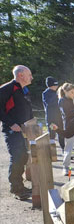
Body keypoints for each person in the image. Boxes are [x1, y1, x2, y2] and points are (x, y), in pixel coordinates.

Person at [0, 65, 34, 200]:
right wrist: (11, 123)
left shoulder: (24, 89)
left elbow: (28, 108)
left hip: (25, 130)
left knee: (24, 156)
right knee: (17, 157)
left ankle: (20, 185)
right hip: (12, 131)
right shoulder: (7, 88)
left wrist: (33, 123)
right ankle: (16, 189)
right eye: (29, 74)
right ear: (20, 75)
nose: (32, 77)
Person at [58, 83, 74, 176]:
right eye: (72, 92)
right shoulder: (62, 101)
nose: (73, 94)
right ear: (65, 91)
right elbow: (67, 113)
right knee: (69, 148)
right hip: (69, 127)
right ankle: (66, 168)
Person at [42, 76, 64, 152]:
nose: (56, 87)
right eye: (55, 85)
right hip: (51, 118)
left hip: (59, 117)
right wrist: (57, 96)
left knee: (61, 133)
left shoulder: (57, 92)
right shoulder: (46, 93)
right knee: (51, 134)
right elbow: (49, 103)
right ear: (51, 85)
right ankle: (51, 151)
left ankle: (63, 149)